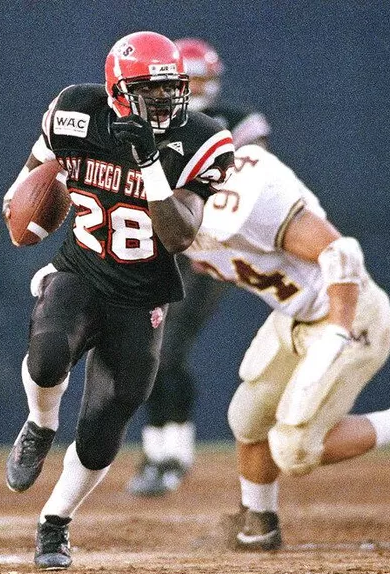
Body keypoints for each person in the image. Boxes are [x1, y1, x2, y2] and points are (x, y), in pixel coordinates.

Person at [2, 31, 235, 570]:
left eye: (172, 89)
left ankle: (54, 524)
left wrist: (149, 163)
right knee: (47, 355)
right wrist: (24, 211)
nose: (168, 101)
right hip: (82, 268)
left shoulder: (203, 137)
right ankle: (39, 424)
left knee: (107, 424)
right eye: (154, 91)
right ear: (119, 91)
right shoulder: (75, 110)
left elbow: (179, 236)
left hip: (144, 293)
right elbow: (29, 182)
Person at [180, 144, 390, 549]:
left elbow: (340, 252)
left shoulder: (242, 199)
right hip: (295, 317)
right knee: (247, 418)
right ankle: (259, 524)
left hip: (349, 313)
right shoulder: (170, 214)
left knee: (294, 450)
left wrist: (338, 330)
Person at [128, 37, 273, 497]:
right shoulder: (148, 124)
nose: (202, 89)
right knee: (147, 351)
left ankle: (169, 455)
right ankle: (162, 452)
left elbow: (255, 180)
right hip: (159, 248)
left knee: (166, 349)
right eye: (194, 80)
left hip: (207, 251)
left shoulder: (234, 123)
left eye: (207, 80)